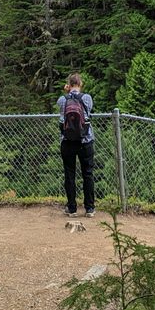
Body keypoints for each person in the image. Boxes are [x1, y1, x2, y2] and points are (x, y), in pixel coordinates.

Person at [57, 72, 95, 216]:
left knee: (69, 174)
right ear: (80, 84)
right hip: (85, 140)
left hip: (67, 141)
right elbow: (89, 110)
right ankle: (89, 208)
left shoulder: (62, 99)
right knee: (88, 174)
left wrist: (66, 92)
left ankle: (72, 208)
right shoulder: (86, 98)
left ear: (69, 84)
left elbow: (62, 110)